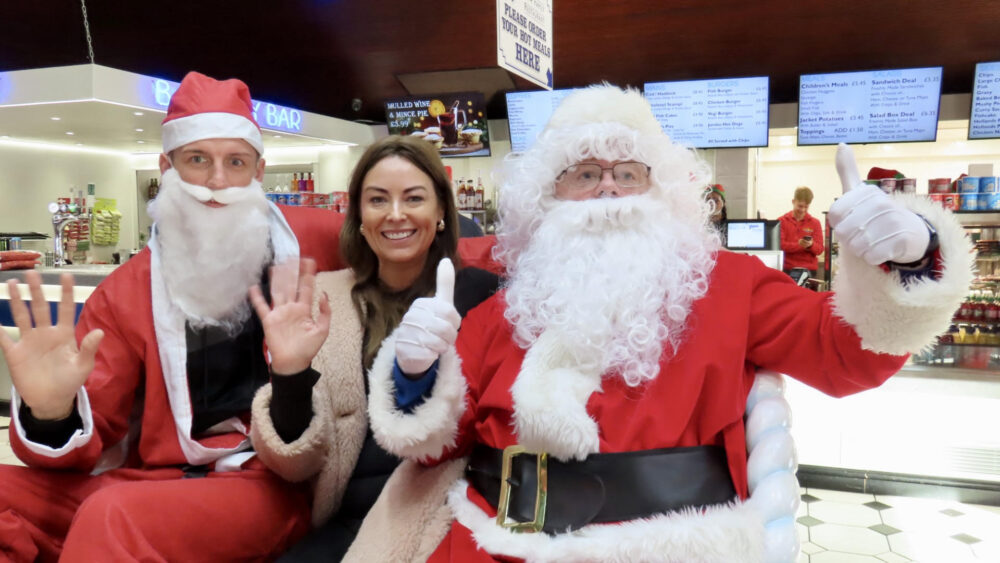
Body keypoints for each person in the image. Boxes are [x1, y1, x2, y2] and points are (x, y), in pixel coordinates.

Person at [364, 85, 972, 561]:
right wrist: (415, 374)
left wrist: (910, 260)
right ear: (545, 199)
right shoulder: (503, 311)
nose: (608, 190)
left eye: (628, 172)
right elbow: (434, 442)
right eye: (583, 174)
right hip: (493, 546)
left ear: (663, 190)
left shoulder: (731, 285)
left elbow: (850, 354)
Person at [0, 71, 345, 561]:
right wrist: (50, 412)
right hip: (158, 479)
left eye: (236, 162)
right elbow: (92, 434)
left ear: (258, 171)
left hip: (266, 482)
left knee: (111, 516)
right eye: (198, 160)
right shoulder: (125, 290)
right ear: (167, 166)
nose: (217, 182)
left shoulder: (316, 239)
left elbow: (423, 242)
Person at [248, 135, 499, 562]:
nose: (396, 215)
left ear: (441, 211)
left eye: (414, 198)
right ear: (360, 217)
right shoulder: (322, 299)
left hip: (442, 521)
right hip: (345, 520)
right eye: (378, 200)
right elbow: (294, 464)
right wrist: (290, 372)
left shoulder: (483, 298)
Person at [779, 186, 825, 278]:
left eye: (806, 207)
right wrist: (799, 245)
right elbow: (780, 245)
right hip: (787, 269)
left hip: (809, 271)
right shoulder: (781, 221)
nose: (803, 210)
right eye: (800, 206)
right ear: (793, 201)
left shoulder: (815, 223)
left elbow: (819, 249)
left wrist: (811, 245)